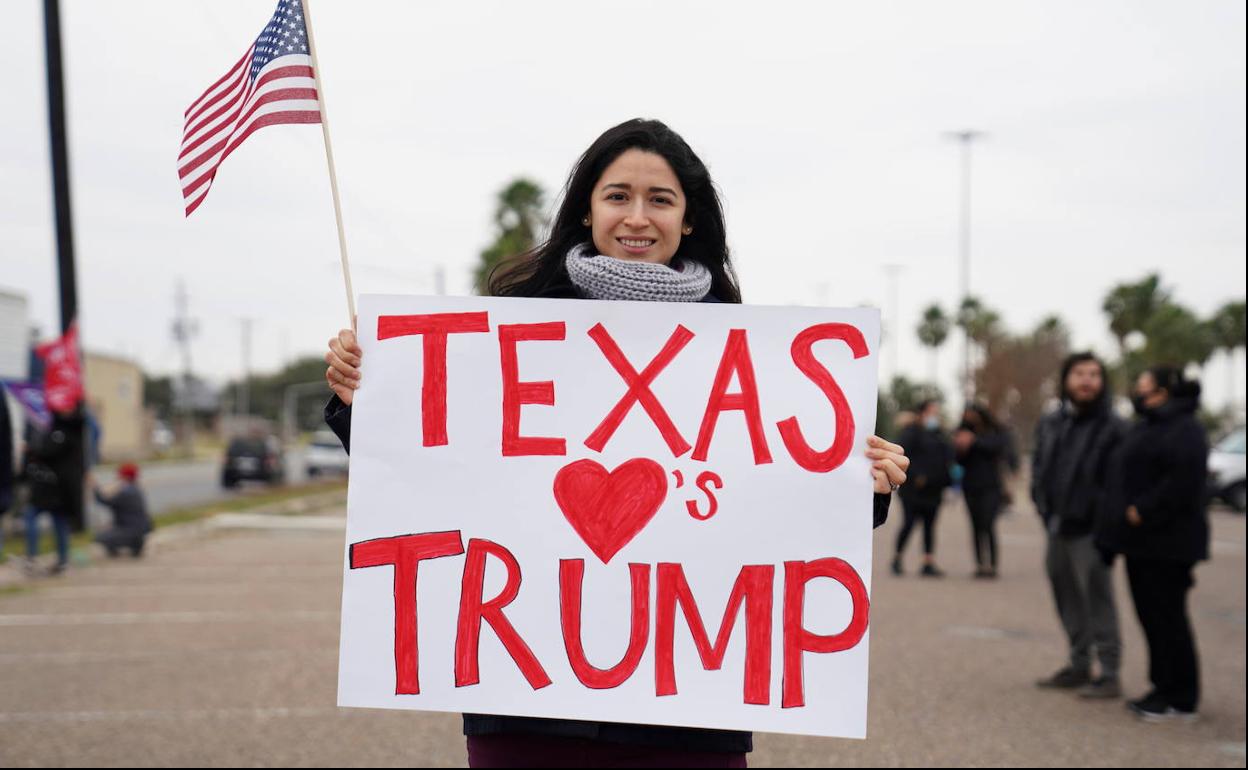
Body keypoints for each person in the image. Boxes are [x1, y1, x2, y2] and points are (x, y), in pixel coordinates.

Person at [322, 119, 912, 768]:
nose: (637, 217)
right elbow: (424, 469)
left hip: (691, 708)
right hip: (527, 704)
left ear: (689, 219)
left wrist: (864, 485)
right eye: (617, 196)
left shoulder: (750, 351)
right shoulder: (510, 328)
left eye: (660, 199)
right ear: (587, 210)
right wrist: (362, 398)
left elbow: (782, 510)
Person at [1098, 366, 1209, 722]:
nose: (1137, 390)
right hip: (1141, 544)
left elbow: (1183, 480)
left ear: (1162, 390)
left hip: (1168, 543)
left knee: (1168, 618)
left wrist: (1141, 510)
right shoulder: (1149, 423)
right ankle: (1161, 688)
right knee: (1151, 618)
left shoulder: (1185, 427)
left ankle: (1181, 697)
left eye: (1143, 385)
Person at [1031, 353, 1125, 698]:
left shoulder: (1114, 426)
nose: (1087, 380)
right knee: (1066, 597)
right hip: (1057, 526)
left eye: (1095, 374)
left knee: (1099, 600)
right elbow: (1040, 466)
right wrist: (1042, 506)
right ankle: (1079, 664)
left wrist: (1104, 522)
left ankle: (1110, 673)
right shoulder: (1053, 421)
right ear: (1066, 379)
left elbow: (1117, 482)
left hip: (1092, 531)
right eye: (1080, 373)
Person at [20, 402, 86, 575]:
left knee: (44, 519)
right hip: (51, 486)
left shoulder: (66, 429)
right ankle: (57, 559)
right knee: (55, 522)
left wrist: (31, 449)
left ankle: (41, 559)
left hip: (55, 487)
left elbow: (48, 451)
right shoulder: (61, 426)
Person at [954, 403, 1015, 578]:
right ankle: (980, 564)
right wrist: (961, 447)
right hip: (970, 485)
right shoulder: (962, 431)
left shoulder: (994, 431)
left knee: (988, 523)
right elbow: (958, 460)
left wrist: (974, 442)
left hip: (991, 486)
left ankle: (993, 564)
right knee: (975, 525)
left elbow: (997, 448)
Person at [892, 398, 952, 577]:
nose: (935, 414)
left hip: (934, 489)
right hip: (913, 490)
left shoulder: (939, 433)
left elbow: (947, 455)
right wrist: (917, 475)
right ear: (922, 412)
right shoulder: (911, 432)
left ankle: (928, 562)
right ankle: (897, 558)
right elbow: (902, 454)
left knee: (929, 526)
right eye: (932, 411)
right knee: (909, 524)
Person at [92, 463, 152, 558]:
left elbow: (105, 501)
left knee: (100, 536)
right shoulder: (136, 489)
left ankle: (119, 547)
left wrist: (95, 488)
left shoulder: (125, 492)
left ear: (125, 477)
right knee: (114, 528)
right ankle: (136, 545)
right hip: (141, 528)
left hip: (130, 529)